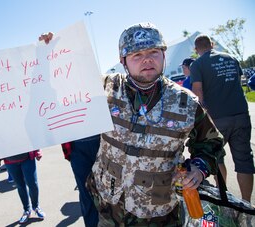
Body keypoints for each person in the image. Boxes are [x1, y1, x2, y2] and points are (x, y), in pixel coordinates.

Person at [41, 23, 224, 226]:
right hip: (107, 207)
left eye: (154, 52)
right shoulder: (105, 88)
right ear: (123, 61)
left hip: (157, 214)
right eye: (136, 55)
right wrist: (51, 52)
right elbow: (65, 82)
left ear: (164, 55)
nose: (147, 59)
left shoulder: (187, 103)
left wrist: (199, 168)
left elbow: (211, 143)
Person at [40, 33, 100, 227]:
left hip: (103, 143)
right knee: (86, 195)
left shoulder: (95, 80)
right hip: (77, 148)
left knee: (112, 194)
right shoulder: (54, 88)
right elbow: (40, 83)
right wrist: (44, 50)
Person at [190, 34, 255, 202]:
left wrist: (200, 120)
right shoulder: (231, 58)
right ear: (212, 44)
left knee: (216, 158)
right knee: (244, 160)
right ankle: (246, 205)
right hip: (241, 115)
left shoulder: (198, 64)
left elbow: (198, 92)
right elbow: (239, 83)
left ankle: (225, 199)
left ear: (197, 49)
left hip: (216, 119)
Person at [0, 150, 46, 224]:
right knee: (20, 186)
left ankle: (36, 206)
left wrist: (37, 150)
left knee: (33, 184)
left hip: (27, 157)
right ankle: (27, 210)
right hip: (10, 161)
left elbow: (32, 138)